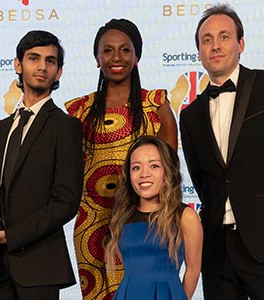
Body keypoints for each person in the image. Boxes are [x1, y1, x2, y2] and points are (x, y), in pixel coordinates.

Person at [178, 3, 264, 299]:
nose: (215, 46)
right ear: (199, 52)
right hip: (216, 248)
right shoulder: (190, 115)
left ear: (241, 44)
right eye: (207, 40)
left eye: (224, 37)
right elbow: (202, 180)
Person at [0, 30, 83, 300]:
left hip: (39, 266)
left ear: (59, 72)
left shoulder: (66, 127)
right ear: (18, 65)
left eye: (50, 61)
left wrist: (11, 235)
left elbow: (66, 202)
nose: (42, 66)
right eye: (33, 58)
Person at [64, 18, 178, 300]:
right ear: (97, 58)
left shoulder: (156, 105)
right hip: (91, 228)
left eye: (125, 50)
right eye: (108, 50)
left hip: (144, 230)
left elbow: (170, 177)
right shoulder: (78, 112)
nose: (116, 57)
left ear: (136, 56)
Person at [105, 136, 202, 300]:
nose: (144, 174)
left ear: (167, 170)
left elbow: (193, 271)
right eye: (136, 168)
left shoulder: (185, 216)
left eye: (154, 166)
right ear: (129, 174)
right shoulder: (121, 217)